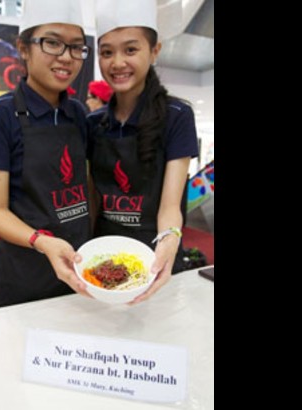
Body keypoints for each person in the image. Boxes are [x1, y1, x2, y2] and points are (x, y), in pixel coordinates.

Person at [0, 0, 93, 308]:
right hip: (25, 278)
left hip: (80, 269)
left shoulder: (78, 113)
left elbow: (85, 184)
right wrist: (43, 242)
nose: (66, 57)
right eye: (52, 43)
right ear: (23, 48)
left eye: (76, 47)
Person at [88, 0, 200, 305]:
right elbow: (93, 199)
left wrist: (169, 241)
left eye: (131, 49)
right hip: (101, 258)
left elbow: (170, 206)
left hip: (154, 256)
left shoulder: (177, 115)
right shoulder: (92, 123)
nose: (117, 62)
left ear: (154, 51)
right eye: (107, 51)